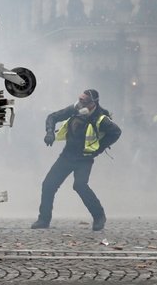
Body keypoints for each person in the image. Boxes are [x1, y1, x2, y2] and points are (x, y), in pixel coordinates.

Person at [31, 89, 121, 231]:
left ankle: (99, 217)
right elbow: (52, 117)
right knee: (48, 184)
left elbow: (116, 132)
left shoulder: (101, 119)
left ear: (93, 104)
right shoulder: (74, 109)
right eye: (79, 99)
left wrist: (99, 148)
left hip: (84, 158)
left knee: (80, 185)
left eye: (83, 101)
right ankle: (43, 220)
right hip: (67, 155)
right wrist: (50, 133)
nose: (80, 103)